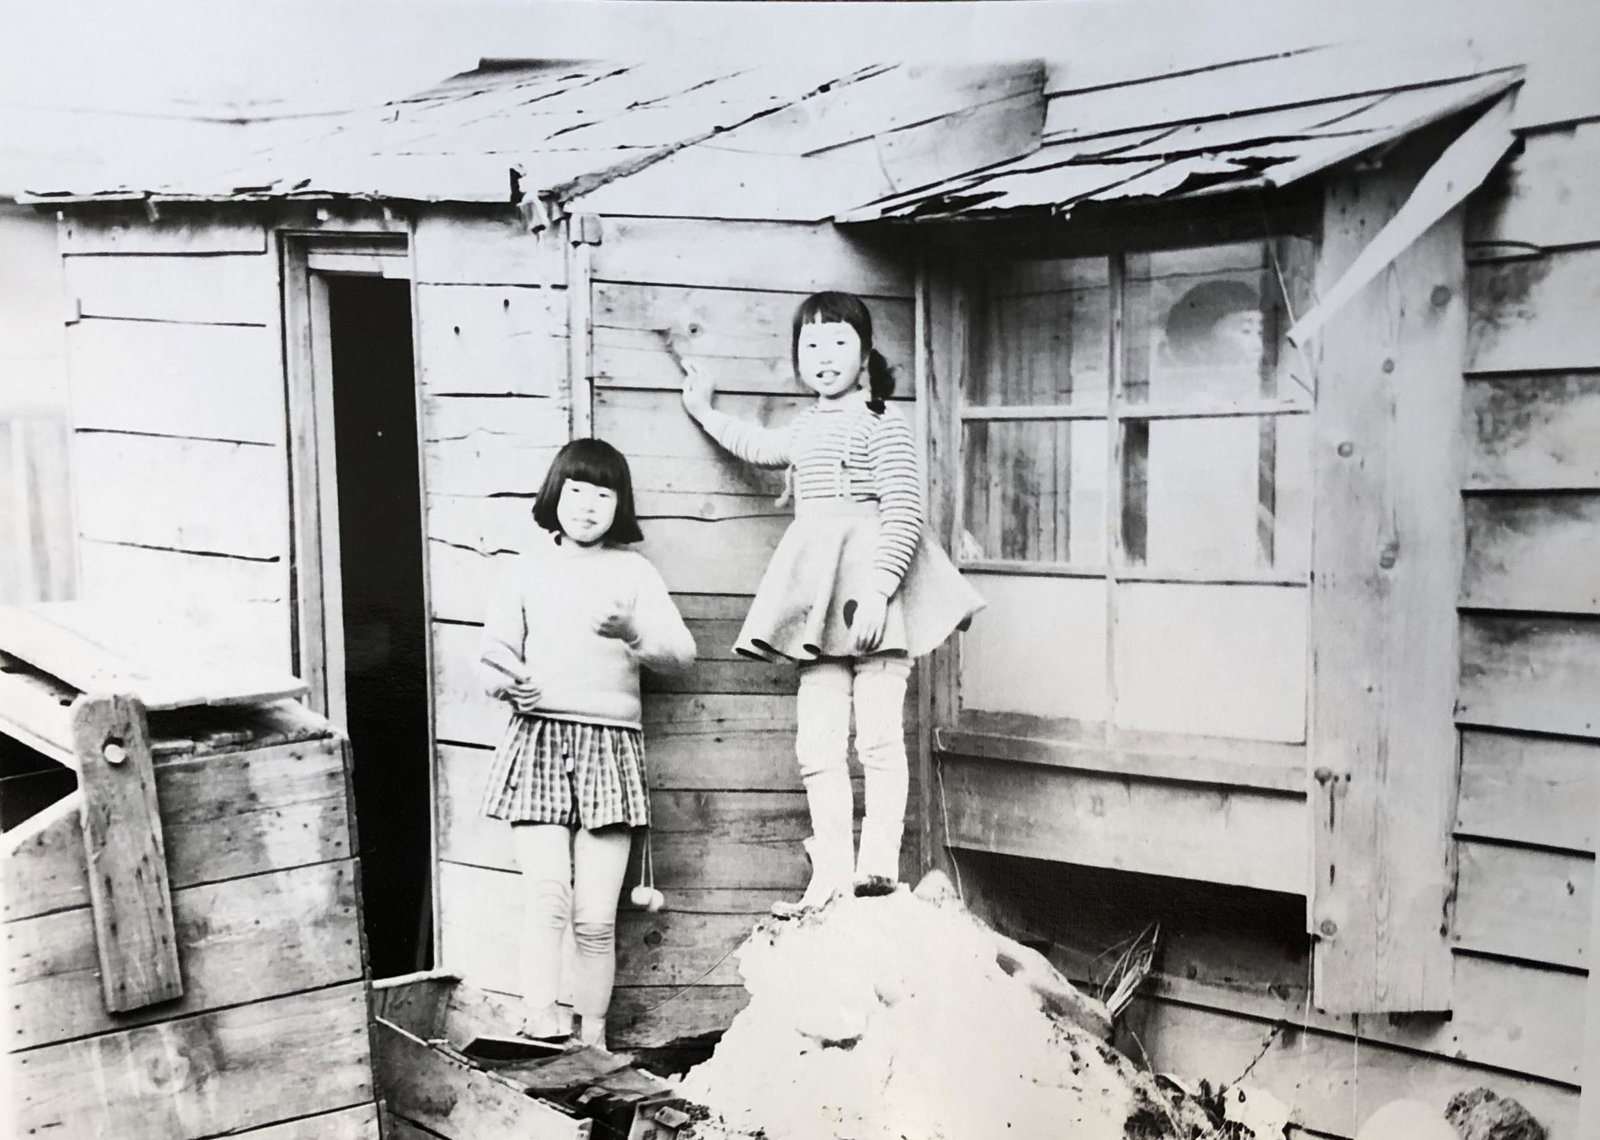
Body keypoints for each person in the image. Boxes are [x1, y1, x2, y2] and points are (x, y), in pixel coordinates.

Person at [678, 291, 983, 915]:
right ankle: (833, 874)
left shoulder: (882, 424)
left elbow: (903, 511)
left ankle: (877, 866)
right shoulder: (808, 427)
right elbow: (758, 446)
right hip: (820, 603)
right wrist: (703, 410)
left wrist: (877, 591)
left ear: (865, 353)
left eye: (840, 342)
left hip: (875, 598)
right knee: (817, 743)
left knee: (876, 739)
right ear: (797, 358)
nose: (825, 356)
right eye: (811, 344)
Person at [478, 438, 695, 1050]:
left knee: (596, 919)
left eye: (604, 494)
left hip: (610, 747)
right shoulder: (523, 568)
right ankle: (540, 1025)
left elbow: (681, 656)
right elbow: (491, 659)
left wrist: (636, 634)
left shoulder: (635, 573)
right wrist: (507, 687)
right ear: (555, 495)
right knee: (547, 900)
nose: (589, 505)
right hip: (539, 738)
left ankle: (592, 1040)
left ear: (620, 505)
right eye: (577, 491)